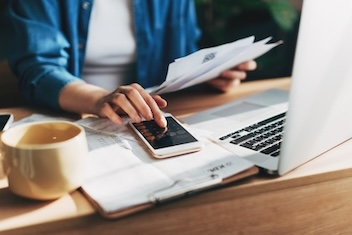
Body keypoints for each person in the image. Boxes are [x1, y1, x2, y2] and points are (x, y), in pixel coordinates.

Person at [0, 0, 256, 128]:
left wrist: (206, 74)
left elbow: (180, 52)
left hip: (150, 118)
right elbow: (38, 70)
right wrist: (100, 99)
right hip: (71, 119)